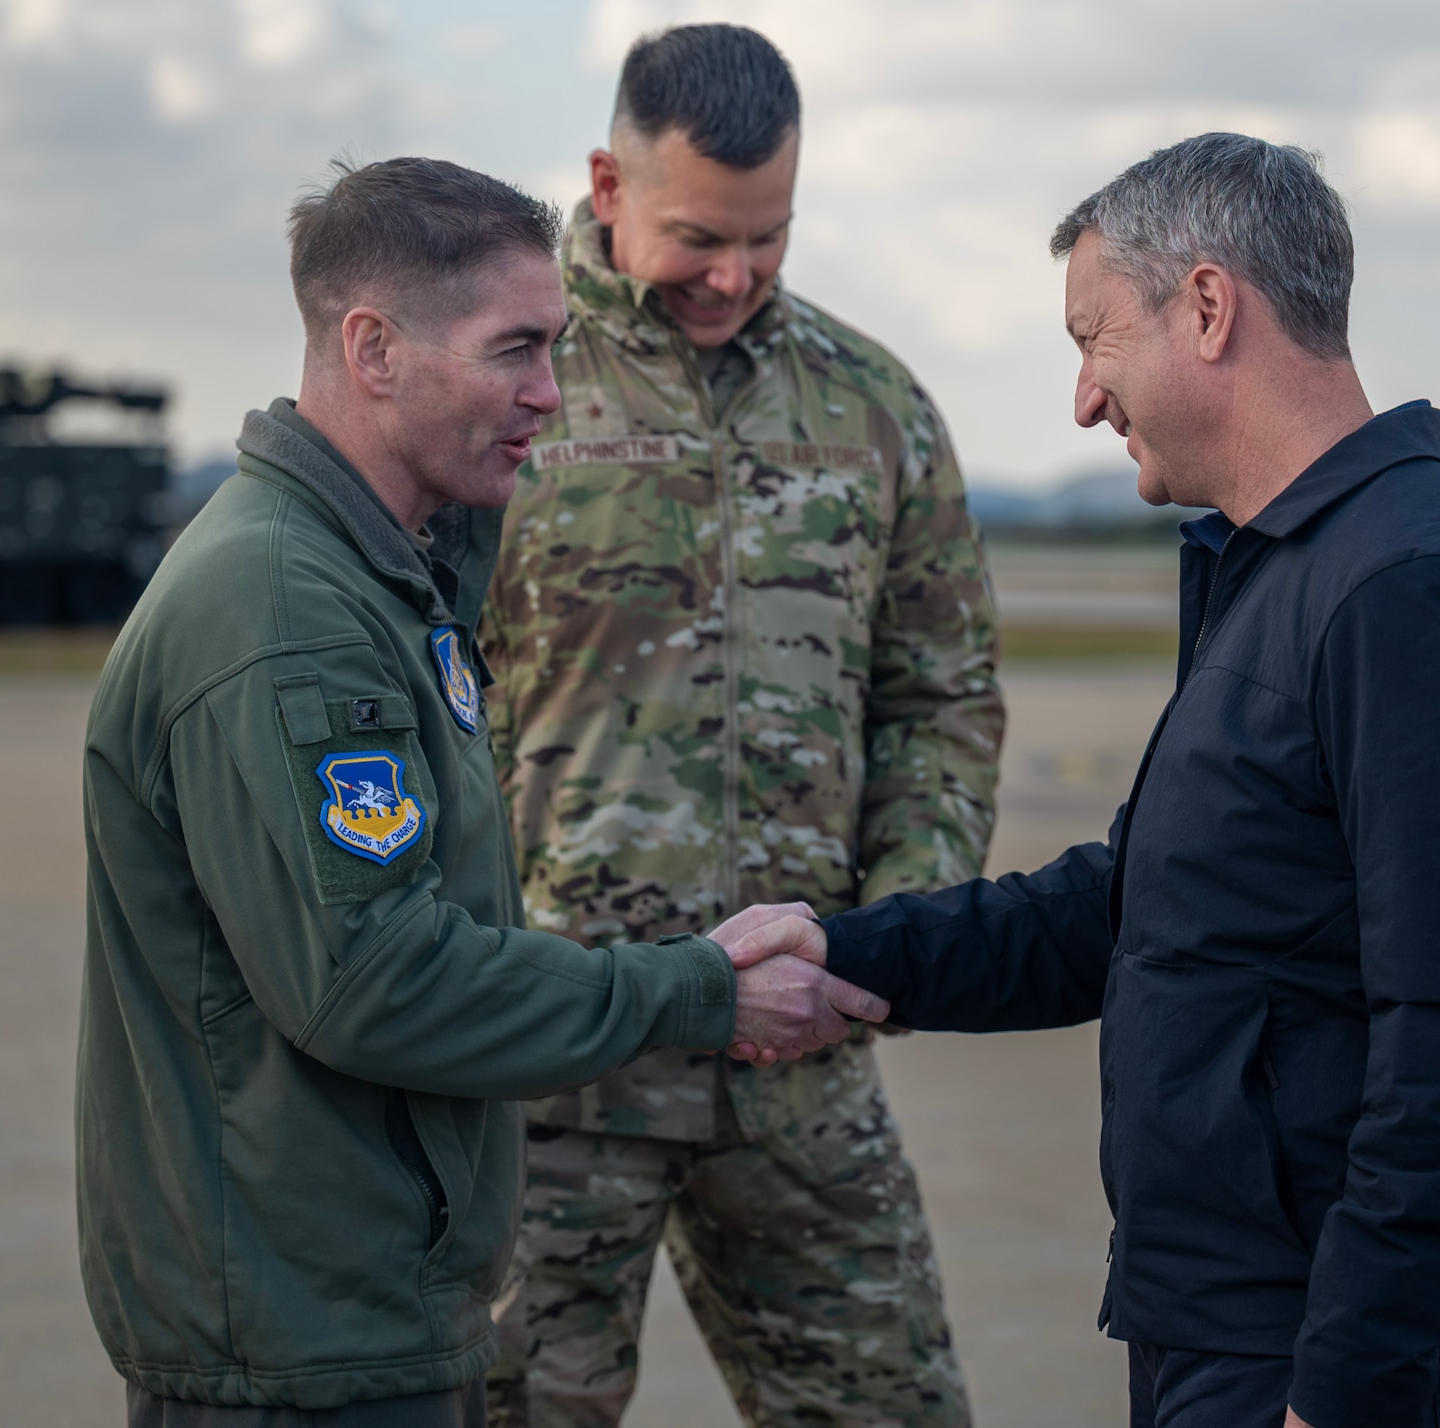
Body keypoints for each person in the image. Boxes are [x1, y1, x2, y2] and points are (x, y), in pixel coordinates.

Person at [714, 132, 1440, 1428]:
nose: (1083, 399)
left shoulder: (1416, 591)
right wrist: (855, 954)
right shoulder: (1289, 574)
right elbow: (1141, 907)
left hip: (1336, 1356)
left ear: (1205, 306)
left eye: (1093, 339)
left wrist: (1345, 1390)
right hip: (1231, 1323)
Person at [76, 156, 885, 1427]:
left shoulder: (381, 578)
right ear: (374, 349)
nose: (549, 396)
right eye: (515, 351)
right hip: (302, 1352)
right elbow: (376, 980)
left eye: (555, 349)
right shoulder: (288, 611)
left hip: (357, 1314)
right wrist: (693, 990)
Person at [478, 24, 999, 1427]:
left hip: (800, 1074)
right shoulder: (505, 393)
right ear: (606, 180)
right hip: (547, 1079)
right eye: (702, 235)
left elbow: (941, 697)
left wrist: (894, 940)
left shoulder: (873, 403)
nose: (736, 274)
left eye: (769, 237)